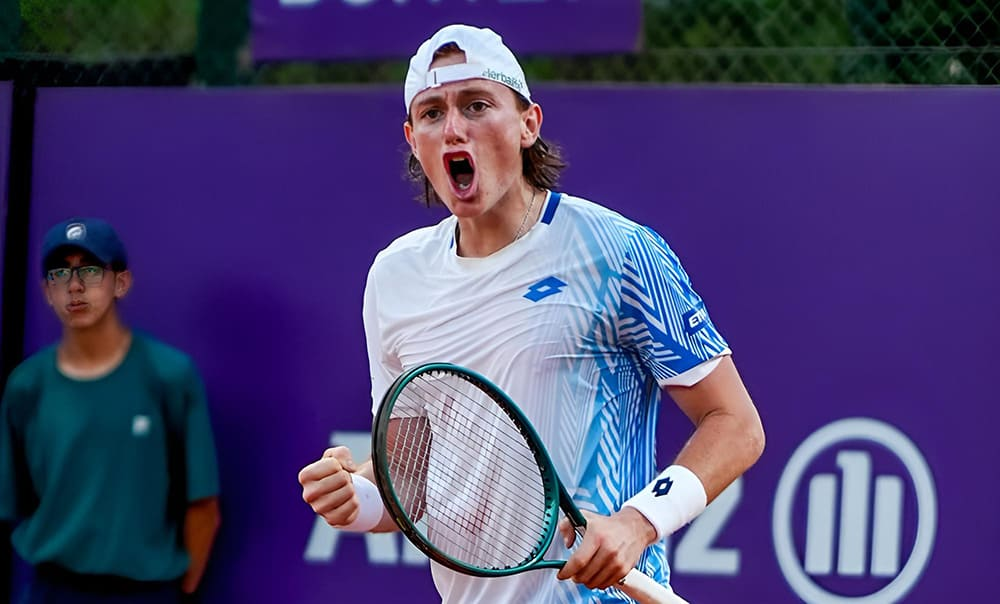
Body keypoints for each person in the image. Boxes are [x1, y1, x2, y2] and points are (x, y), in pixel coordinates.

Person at [299, 24, 765, 603]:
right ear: (414, 141)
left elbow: (735, 424)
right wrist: (356, 498)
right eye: (433, 113)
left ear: (528, 124)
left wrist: (637, 524)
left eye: (476, 105)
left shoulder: (617, 251)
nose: (454, 128)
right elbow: (410, 482)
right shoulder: (395, 277)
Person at [0, 217, 221, 603]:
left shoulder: (168, 375)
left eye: (89, 270)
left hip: (144, 593)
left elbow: (203, 507)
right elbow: (15, 501)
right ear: (47, 291)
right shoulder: (26, 386)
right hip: (52, 590)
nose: (74, 286)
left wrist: (178, 592)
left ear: (121, 282)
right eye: (59, 273)